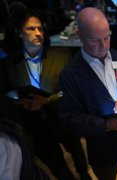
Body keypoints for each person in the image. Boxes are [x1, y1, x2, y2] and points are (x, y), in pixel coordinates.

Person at [58, 7, 117, 179]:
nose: (104, 45)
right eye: (95, 40)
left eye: (107, 37)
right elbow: (70, 117)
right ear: (80, 36)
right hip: (102, 145)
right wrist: (104, 125)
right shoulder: (70, 75)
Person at [0, 6, 90, 180]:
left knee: (77, 153)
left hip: (62, 118)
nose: (37, 33)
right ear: (20, 33)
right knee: (56, 165)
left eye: (40, 28)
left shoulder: (61, 56)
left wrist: (48, 100)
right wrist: (18, 103)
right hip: (35, 126)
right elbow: (6, 95)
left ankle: (84, 174)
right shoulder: (9, 65)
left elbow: (75, 91)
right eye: (31, 29)